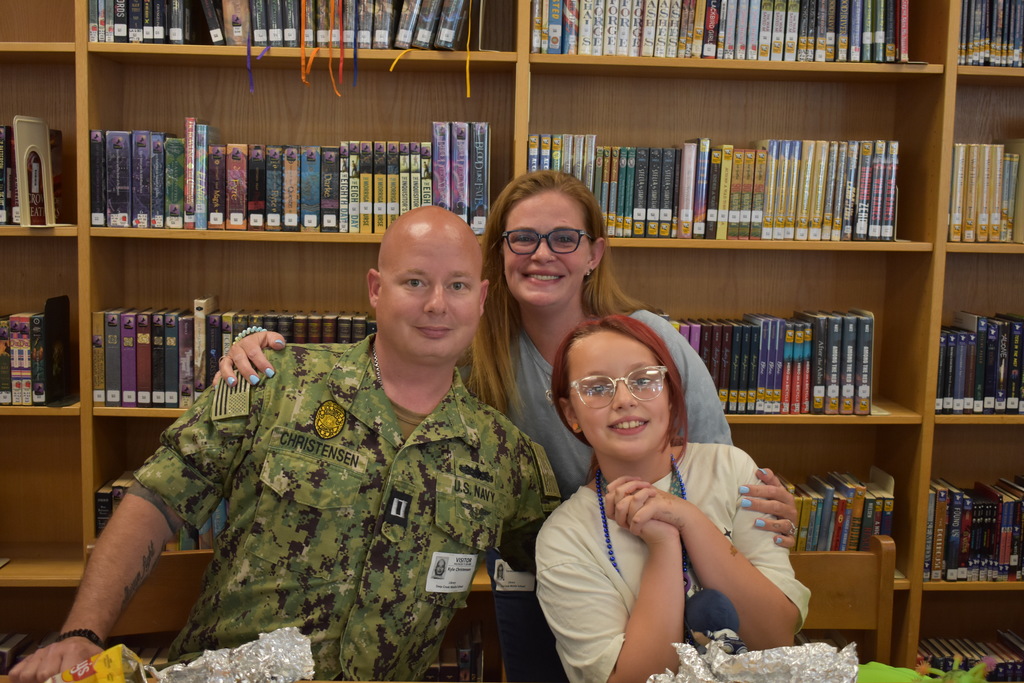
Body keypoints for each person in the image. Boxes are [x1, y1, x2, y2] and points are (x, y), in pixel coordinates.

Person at [217, 170, 798, 680]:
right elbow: (392, 360)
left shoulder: (650, 342)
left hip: (677, 558)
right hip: (562, 563)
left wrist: (762, 509)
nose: (541, 253)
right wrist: (262, 356)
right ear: (499, 252)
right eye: (523, 238)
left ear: (594, 253)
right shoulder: (476, 350)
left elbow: (717, 478)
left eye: (563, 239)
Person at [10, 206, 561, 683]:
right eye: (414, 282)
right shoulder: (274, 383)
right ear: (375, 289)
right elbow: (156, 500)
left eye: (458, 285)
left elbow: (563, 562)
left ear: (483, 298)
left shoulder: (501, 455)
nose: (437, 304)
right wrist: (83, 632)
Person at [538, 314, 809, 683]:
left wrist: (689, 518)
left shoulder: (731, 470)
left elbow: (777, 638)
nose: (623, 400)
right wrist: (664, 543)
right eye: (597, 388)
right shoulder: (564, 538)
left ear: (670, 392)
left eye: (643, 381)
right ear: (571, 413)